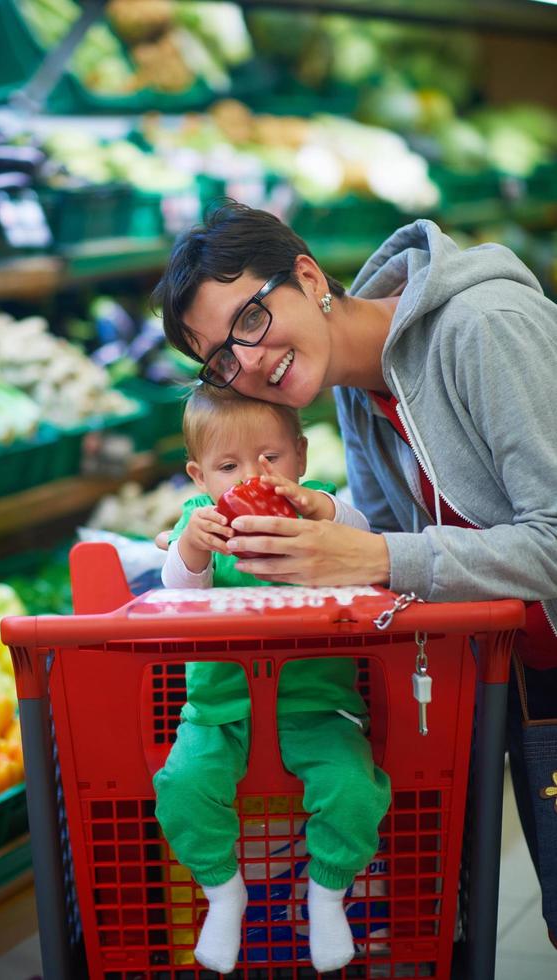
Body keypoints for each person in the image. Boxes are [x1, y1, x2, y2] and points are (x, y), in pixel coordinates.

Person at [152, 202, 557, 946]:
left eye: (249, 321)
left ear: (308, 277)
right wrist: (319, 530)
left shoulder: (483, 327)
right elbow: (400, 540)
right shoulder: (353, 392)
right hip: (524, 671)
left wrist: (371, 556)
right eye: (219, 359)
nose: (244, 364)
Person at [153, 383, 391, 974]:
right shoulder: (200, 523)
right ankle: (222, 892)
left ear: (302, 459)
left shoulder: (316, 508)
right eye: (228, 466)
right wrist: (190, 548)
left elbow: (364, 539)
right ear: (198, 475)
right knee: (181, 786)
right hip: (220, 708)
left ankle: (328, 893)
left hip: (317, 704)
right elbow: (177, 595)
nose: (252, 477)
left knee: (354, 787)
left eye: (271, 459)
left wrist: (327, 512)